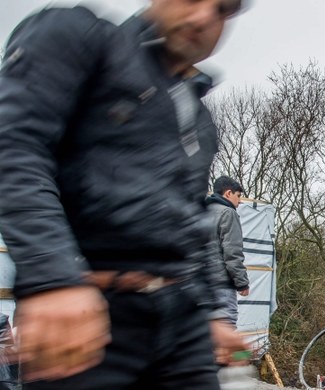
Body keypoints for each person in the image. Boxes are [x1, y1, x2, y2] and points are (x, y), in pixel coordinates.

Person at [0, 0, 248, 388]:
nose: (203, 17)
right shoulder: (80, 38)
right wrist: (53, 277)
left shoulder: (200, 119)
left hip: (181, 325)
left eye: (222, 8)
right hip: (90, 317)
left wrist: (212, 313)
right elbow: (14, 147)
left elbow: (190, 224)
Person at [206, 176, 250, 326]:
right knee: (226, 332)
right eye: (238, 196)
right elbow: (232, 252)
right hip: (221, 286)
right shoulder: (228, 213)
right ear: (228, 193)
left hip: (201, 286)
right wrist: (242, 283)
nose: (240, 201)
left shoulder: (202, 212)